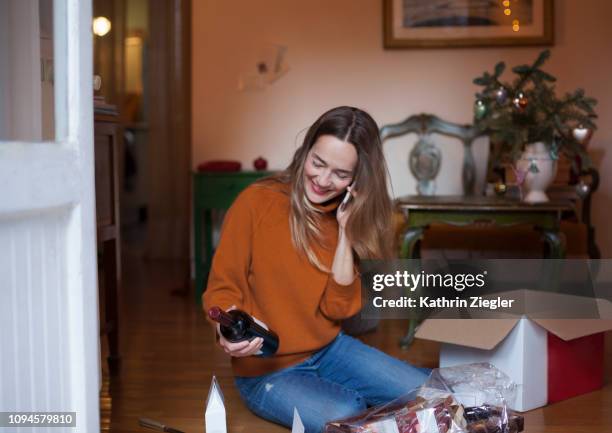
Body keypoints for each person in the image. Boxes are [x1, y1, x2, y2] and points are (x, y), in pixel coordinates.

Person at [203, 106, 429, 432]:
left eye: (340, 174)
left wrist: (346, 234)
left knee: (427, 390)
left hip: (331, 350)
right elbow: (223, 284)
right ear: (305, 151)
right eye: (317, 163)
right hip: (267, 370)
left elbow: (337, 308)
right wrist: (227, 325)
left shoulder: (348, 216)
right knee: (347, 409)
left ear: (358, 179)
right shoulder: (257, 201)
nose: (323, 181)